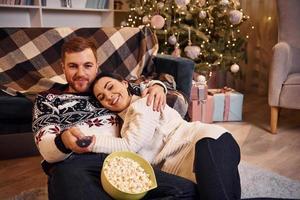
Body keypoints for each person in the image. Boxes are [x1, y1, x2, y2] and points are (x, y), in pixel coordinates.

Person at [32, 36, 198, 200]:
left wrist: (157, 86)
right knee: (65, 176)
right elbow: (47, 150)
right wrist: (63, 142)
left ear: (97, 66)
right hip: (76, 164)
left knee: (187, 191)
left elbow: (149, 85)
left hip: (121, 161)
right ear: (63, 67)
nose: (81, 73)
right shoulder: (48, 99)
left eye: (88, 66)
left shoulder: (109, 88)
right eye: (73, 66)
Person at [91, 72, 242, 200]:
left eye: (110, 87)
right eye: (102, 97)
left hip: (205, 142)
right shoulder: (125, 125)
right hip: (182, 169)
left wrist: (89, 142)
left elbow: (131, 145)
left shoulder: (144, 103)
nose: (109, 96)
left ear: (124, 83)